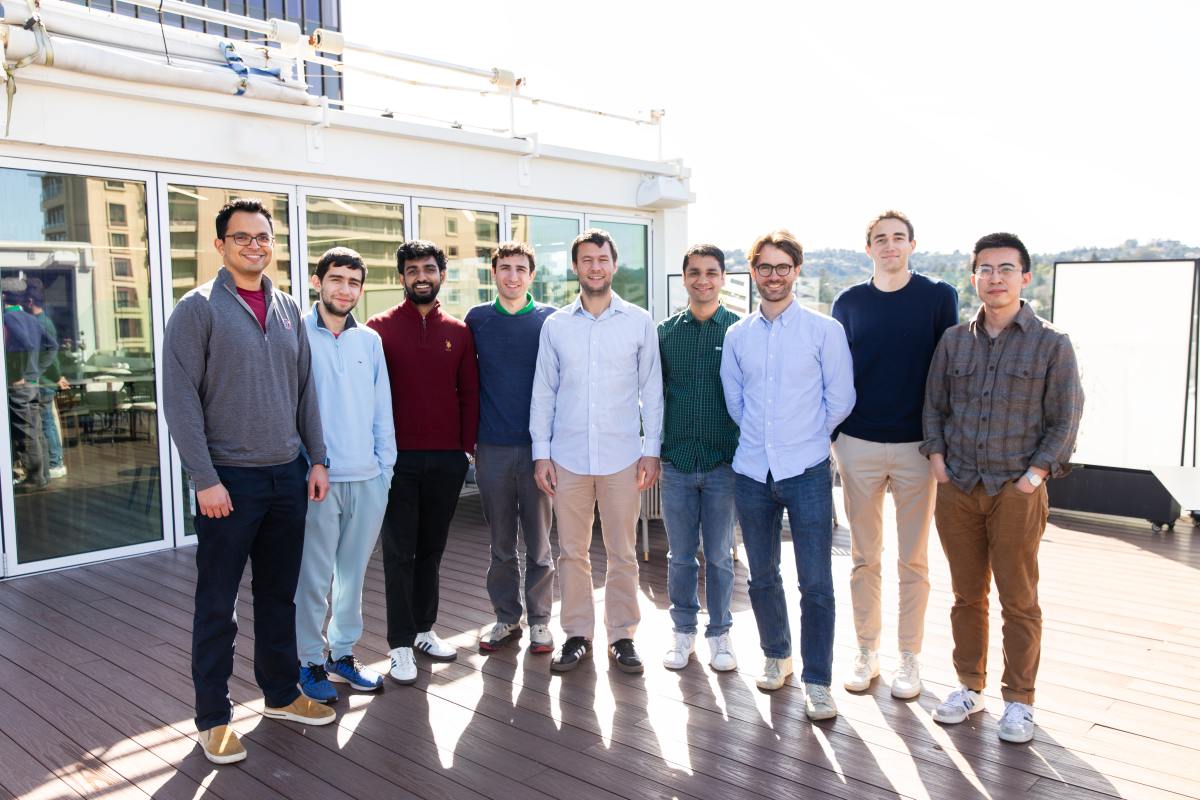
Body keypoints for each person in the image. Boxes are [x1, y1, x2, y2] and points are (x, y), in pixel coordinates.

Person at [163, 198, 334, 765]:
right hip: (228, 483)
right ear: (220, 245)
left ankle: (281, 693)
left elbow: (306, 389)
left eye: (263, 237)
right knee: (218, 605)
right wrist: (204, 478)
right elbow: (181, 400)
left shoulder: (288, 308)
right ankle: (213, 719)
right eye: (243, 237)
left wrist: (317, 459)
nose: (255, 245)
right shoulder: (198, 309)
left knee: (278, 595)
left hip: (287, 475)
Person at [923, 232, 1083, 744]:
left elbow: (1066, 419)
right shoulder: (953, 341)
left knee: (1019, 598)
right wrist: (940, 464)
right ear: (973, 278)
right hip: (959, 487)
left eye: (1005, 269)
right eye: (985, 269)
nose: (995, 278)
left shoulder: (1052, 343)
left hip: (1017, 490)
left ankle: (1020, 701)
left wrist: (1033, 477)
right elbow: (935, 406)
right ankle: (969, 688)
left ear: (1025, 277)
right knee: (967, 595)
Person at [720, 229, 854, 719]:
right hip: (752, 470)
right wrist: (767, 440)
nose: (773, 276)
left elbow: (840, 399)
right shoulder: (737, 336)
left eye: (783, 267)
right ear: (752, 272)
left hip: (808, 470)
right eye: (764, 267)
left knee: (816, 583)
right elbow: (736, 402)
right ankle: (777, 657)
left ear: (797, 271)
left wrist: (804, 439)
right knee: (761, 578)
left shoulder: (824, 331)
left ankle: (818, 681)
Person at [831, 211, 958, 698]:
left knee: (914, 560)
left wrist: (939, 442)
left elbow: (948, 372)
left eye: (898, 238)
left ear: (912, 245)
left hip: (917, 449)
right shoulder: (849, 301)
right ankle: (866, 652)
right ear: (869, 249)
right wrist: (836, 435)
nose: (889, 246)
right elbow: (838, 372)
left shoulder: (936, 296)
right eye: (880, 239)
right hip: (858, 444)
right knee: (864, 558)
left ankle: (910, 658)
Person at [531, 228, 663, 675]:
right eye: (586, 260)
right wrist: (541, 453)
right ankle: (577, 634)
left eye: (602, 259)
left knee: (623, 551)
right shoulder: (556, 325)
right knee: (572, 552)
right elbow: (543, 393)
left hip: (623, 456)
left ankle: (622, 635)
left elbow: (652, 391)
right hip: (567, 458)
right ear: (575, 267)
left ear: (613, 264)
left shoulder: (638, 321)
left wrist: (652, 450)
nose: (594, 267)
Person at [368, 240, 479, 685]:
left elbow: (469, 392)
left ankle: (423, 630)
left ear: (441, 276)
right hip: (396, 461)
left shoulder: (459, 330)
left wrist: (465, 448)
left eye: (429, 268)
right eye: (412, 269)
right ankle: (398, 646)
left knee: (431, 550)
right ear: (401, 277)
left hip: (447, 460)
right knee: (398, 552)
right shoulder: (377, 329)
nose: (421, 275)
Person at [294, 247, 396, 703]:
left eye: (354, 282)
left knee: (352, 577)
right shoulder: (294, 333)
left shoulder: (369, 341)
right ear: (318, 282)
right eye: (336, 279)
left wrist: (385, 472)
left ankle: (342, 654)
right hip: (318, 480)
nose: (345, 289)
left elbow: (382, 411)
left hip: (368, 478)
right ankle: (309, 662)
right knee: (313, 578)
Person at [465, 242, 557, 654]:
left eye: (521, 268)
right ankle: (506, 618)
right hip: (493, 448)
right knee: (500, 544)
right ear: (494, 273)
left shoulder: (550, 321)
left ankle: (540, 621)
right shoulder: (477, 320)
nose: (513, 276)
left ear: (531, 275)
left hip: (539, 449)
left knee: (539, 543)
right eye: (505, 268)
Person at [657, 244, 740, 672]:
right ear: (684, 278)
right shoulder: (665, 333)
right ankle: (683, 631)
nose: (702, 280)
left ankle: (721, 633)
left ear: (723, 278)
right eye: (694, 272)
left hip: (723, 463)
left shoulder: (740, 332)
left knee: (721, 555)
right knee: (680, 556)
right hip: (676, 463)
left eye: (711, 272)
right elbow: (653, 397)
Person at [4, 278, 56, 489]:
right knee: (36, 429)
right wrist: (36, 371)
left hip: (19, 384)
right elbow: (52, 346)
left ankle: (35, 478)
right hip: (33, 383)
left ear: (4, 296)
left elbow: (24, 344)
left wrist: (18, 373)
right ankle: (43, 475)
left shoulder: (8, 318)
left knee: (27, 432)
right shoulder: (31, 318)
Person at [24, 279, 69, 480]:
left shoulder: (42, 323)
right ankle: (53, 461)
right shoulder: (40, 321)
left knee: (47, 422)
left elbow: (52, 355)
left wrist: (57, 376)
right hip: (43, 380)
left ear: (31, 301)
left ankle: (56, 462)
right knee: (46, 422)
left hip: (44, 382)